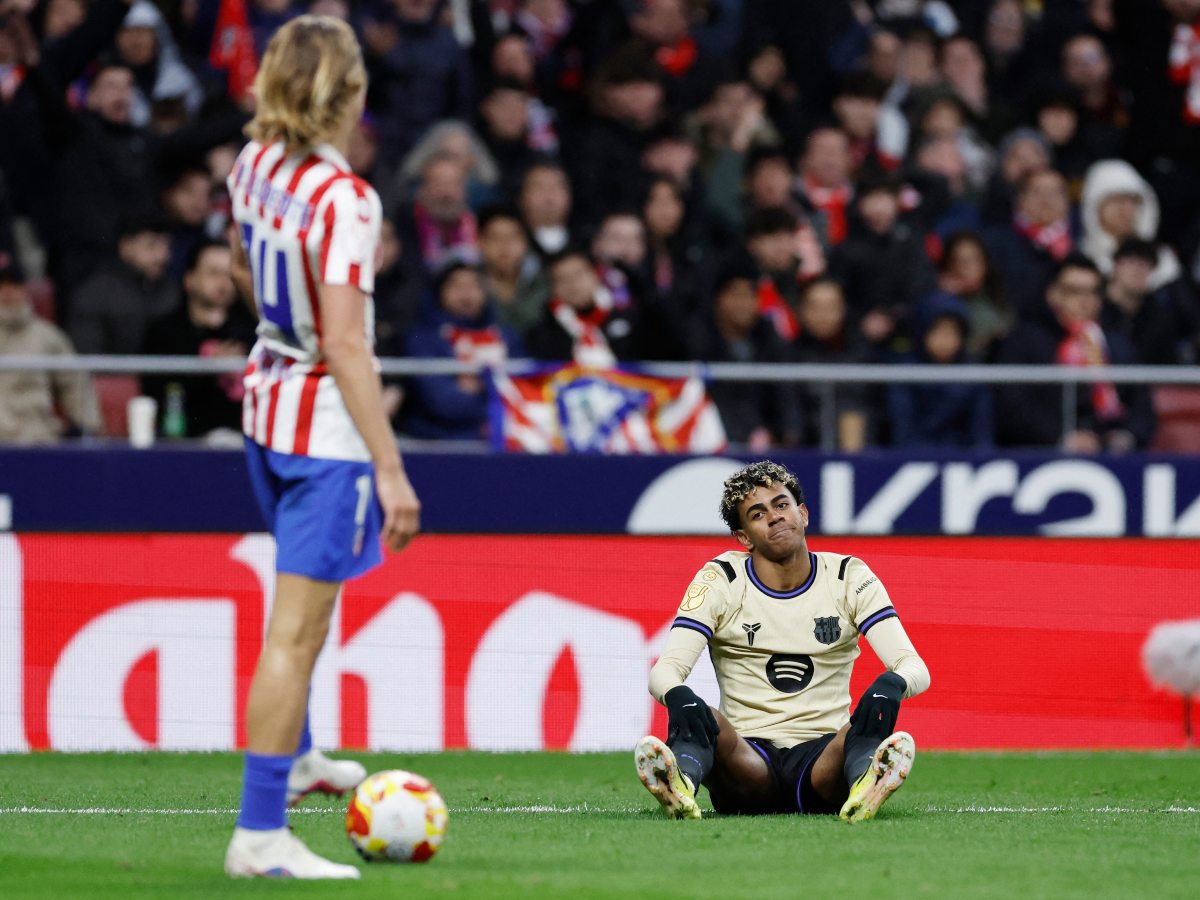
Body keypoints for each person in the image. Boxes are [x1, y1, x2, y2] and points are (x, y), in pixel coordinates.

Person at [222, 16, 420, 879]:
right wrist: (390, 464)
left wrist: (282, 319)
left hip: (264, 407)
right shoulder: (347, 199)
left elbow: (239, 262)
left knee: (302, 613)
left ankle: (298, 761)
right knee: (295, 636)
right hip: (322, 433)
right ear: (348, 95)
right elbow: (345, 344)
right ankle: (259, 835)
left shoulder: (251, 165)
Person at [634, 460, 930, 821]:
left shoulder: (848, 576)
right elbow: (665, 671)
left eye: (782, 504)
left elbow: (914, 667)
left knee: (869, 717)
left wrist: (893, 684)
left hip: (824, 762)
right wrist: (679, 696)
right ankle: (679, 782)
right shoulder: (721, 579)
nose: (774, 517)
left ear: (802, 514)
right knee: (700, 714)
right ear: (744, 538)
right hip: (747, 763)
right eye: (758, 513)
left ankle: (865, 781)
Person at [0, 259, 101, 443]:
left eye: (14, 285)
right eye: (1, 286)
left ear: (24, 290)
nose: (7, 293)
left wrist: (88, 427)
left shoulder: (47, 336)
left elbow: (75, 383)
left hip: (35, 436)